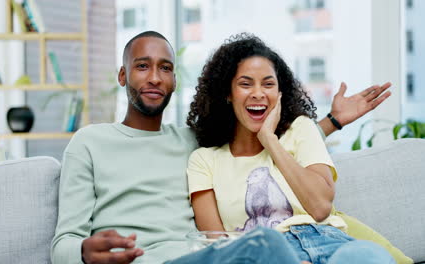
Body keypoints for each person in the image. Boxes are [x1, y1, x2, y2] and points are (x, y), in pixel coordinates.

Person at [51, 31, 403, 264]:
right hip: (155, 258)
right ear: (123, 75)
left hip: (204, 256)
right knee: (266, 244)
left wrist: (332, 123)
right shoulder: (90, 142)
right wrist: (83, 253)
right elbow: (62, 242)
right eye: (142, 67)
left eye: (166, 68)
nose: (155, 77)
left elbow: (256, 146)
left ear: (175, 80)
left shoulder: (190, 141)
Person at [184, 33, 396, 264]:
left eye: (268, 84)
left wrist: (270, 141)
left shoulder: (301, 130)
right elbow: (217, 246)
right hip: (266, 254)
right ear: (227, 93)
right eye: (245, 84)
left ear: (280, 93)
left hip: (328, 242)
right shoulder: (204, 160)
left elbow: (320, 207)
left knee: (368, 255)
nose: (258, 93)